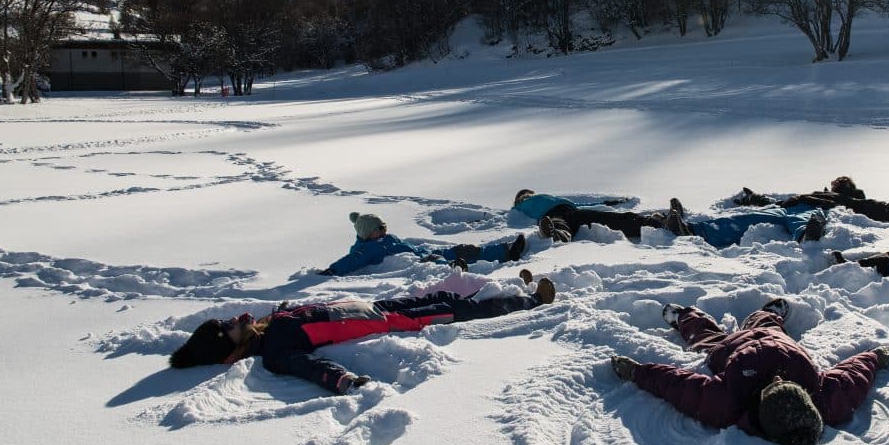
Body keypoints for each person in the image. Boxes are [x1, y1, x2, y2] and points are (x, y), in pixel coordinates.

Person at [169, 272, 558, 394]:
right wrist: (342, 381)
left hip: (377, 308)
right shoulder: (275, 349)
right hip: (390, 324)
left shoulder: (273, 324)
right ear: (231, 351)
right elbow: (307, 366)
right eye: (231, 326)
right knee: (455, 311)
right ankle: (530, 304)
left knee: (443, 295)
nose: (238, 318)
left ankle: (505, 292)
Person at [609, 299, 889, 445]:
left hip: (727, 349)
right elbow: (852, 377)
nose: (778, 379)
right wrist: (875, 358)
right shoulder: (824, 399)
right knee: (767, 322)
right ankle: (766, 313)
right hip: (774, 337)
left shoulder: (726, 402)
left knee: (704, 336)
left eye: (775, 386)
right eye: (787, 384)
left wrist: (637, 372)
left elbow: (679, 386)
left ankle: (685, 317)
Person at [321, 212, 525, 276]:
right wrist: (332, 270)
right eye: (379, 229)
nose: (384, 230)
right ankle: (456, 273)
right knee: (439, 261)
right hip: (419, 261)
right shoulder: (366, 249)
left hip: (425, 252)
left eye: (384, 226)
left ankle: (506, 251)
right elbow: (351, 261)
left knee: (464, 250)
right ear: (368, 233)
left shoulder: (386, 238)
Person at [733, 175, 889, 223]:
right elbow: (886, 210)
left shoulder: (821, 194)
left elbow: (777, 203)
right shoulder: (852, 202)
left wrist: (755, 198)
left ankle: (749, 202)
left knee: (773, 212)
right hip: (810, 209)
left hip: (799, 204)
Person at [512, 189, 667, 242]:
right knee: (557, 223)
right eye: (525, 196)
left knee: (610, 219)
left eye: (529, 194)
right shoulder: (519, 208)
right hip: (551, 215)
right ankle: (557, 234)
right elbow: (513, 218)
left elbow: (584, 205)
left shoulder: (550, 198)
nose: (528, 196)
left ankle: (654, 223)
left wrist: (610, 202)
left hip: (573, 212)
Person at [662, 198, 827, 247]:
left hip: (810, 207)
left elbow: (853, 200)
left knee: (802, 219)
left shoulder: (836, 196)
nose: (837, 182)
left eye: (841, 181)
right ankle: (693, 230)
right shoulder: (806, 194)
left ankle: (806, 235)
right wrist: (751, 198)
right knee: (749, 219)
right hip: (784, 207)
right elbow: (766, 200)